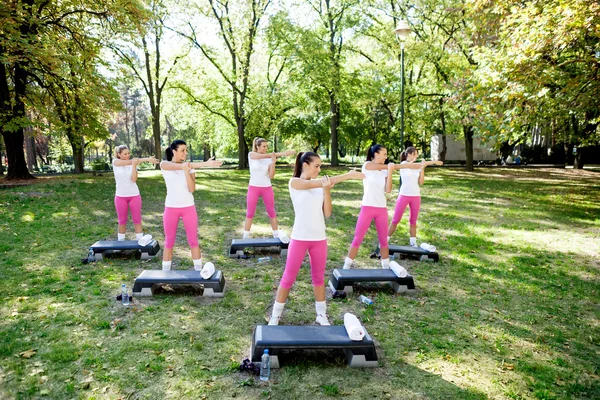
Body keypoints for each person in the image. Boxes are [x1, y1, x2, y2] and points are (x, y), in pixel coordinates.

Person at [268, 152, 364, 326]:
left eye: (321, 166)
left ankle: (321, 315)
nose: (320, 170)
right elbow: (316, 182)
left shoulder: (320, 186)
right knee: (288, 277)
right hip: (300, 238)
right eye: (317, 166)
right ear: (305, 165)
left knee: (318, 278)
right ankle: (275, 316)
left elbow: (327, 213)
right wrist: (348, 176)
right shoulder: (295, 182)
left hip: (319, 238)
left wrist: (327, 192)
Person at [342, 144, 422, 270]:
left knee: (384, 241)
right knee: (358, 238)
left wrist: (390, 171)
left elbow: (388, 189)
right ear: (376, 154)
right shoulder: (367, 165)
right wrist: (406, 165)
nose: (386, 156)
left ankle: (385, 268)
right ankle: (346, 267)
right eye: (384, 154)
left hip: (381, 209)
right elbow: (386, 165)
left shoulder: (385, 170)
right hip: (367, 207)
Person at [160, 140, 223, 271]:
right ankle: (165, 273)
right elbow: (180, 166)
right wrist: (206, 164)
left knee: (193, 241)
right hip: (171, 208)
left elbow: (192, 188)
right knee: (169, 241)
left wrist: (187, 171)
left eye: (186, 150)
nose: (185, 153)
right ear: (174, 151)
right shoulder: (164, 164)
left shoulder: (189, 167)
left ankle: (199, 271)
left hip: (188, 207)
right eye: (182, 150)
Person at [387, 147, 443, 247]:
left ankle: (413, 243)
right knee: (396, 220)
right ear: (408, 154)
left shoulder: (418, 166)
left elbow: (421, 182)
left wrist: (422, 169)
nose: (416, 156)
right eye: (415, 154)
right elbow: (411, 165)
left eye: (417, 154)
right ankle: (385, 240)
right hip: (404, 195)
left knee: (413, 221)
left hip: (415, 196)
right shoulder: (403, 164)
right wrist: (432, 162)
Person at [244, 137, 295, 241]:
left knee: (271, 211)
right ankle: (245, 237)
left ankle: (276, 236)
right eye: (263, 146)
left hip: (267, 187)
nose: (266, 148)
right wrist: (283, 154)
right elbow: (265, 155)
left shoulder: (268, 158)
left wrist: (273, 163)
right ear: (257, 147)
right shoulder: (251, 155)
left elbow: (271, 176)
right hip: (253, 187)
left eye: (267, 146)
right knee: (250, 213)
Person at [112, 145, 158, 241]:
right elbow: (129, 161)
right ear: (119, 154)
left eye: (128, 153)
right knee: (122, 220)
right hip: (120, 196)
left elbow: (133, 179)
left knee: (137, 219)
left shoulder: (132, 164)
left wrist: (133, 166)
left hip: (134, 195)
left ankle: (140, 241)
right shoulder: (115, 162)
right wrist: (146, 159)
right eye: (125, 154)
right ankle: (120, 242)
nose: (128, 155)